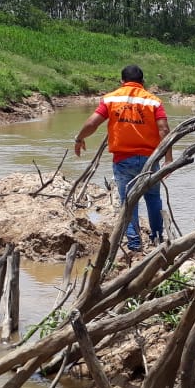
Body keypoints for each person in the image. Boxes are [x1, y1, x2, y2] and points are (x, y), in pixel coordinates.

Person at [73, 65, 172, 252]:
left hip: (123, 160)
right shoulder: (154, 101)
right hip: (150, 160)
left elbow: (93, 123)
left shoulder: (111, 99)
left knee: (128, 201)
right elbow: (164, 130)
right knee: (153, 198)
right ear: (143, 83)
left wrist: (79, 139)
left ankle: (134, 246)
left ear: (122, 82)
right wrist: (168, 159)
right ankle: (158, 239)